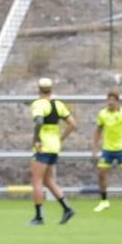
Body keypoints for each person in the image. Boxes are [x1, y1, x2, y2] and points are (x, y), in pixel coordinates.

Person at [28, 77, 74, 225]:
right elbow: (72, 123)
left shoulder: (39, 104)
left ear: (39, 89)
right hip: (54, 146)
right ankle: (67, 208)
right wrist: (61, 138)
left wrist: (36, 139)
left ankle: (39, 216)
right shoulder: (58, 104)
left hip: (43, 146)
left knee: (37, 181)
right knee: (48, 180)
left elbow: (39, 121)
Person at [91, 90, 122, 212]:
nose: (110, 102)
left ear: (117, 101)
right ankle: (104, 201)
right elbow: (98, 130)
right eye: (108, 100)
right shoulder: (102, 114)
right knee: (101, 174)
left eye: (112, 100)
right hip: (107, 149)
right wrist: (95, 146)